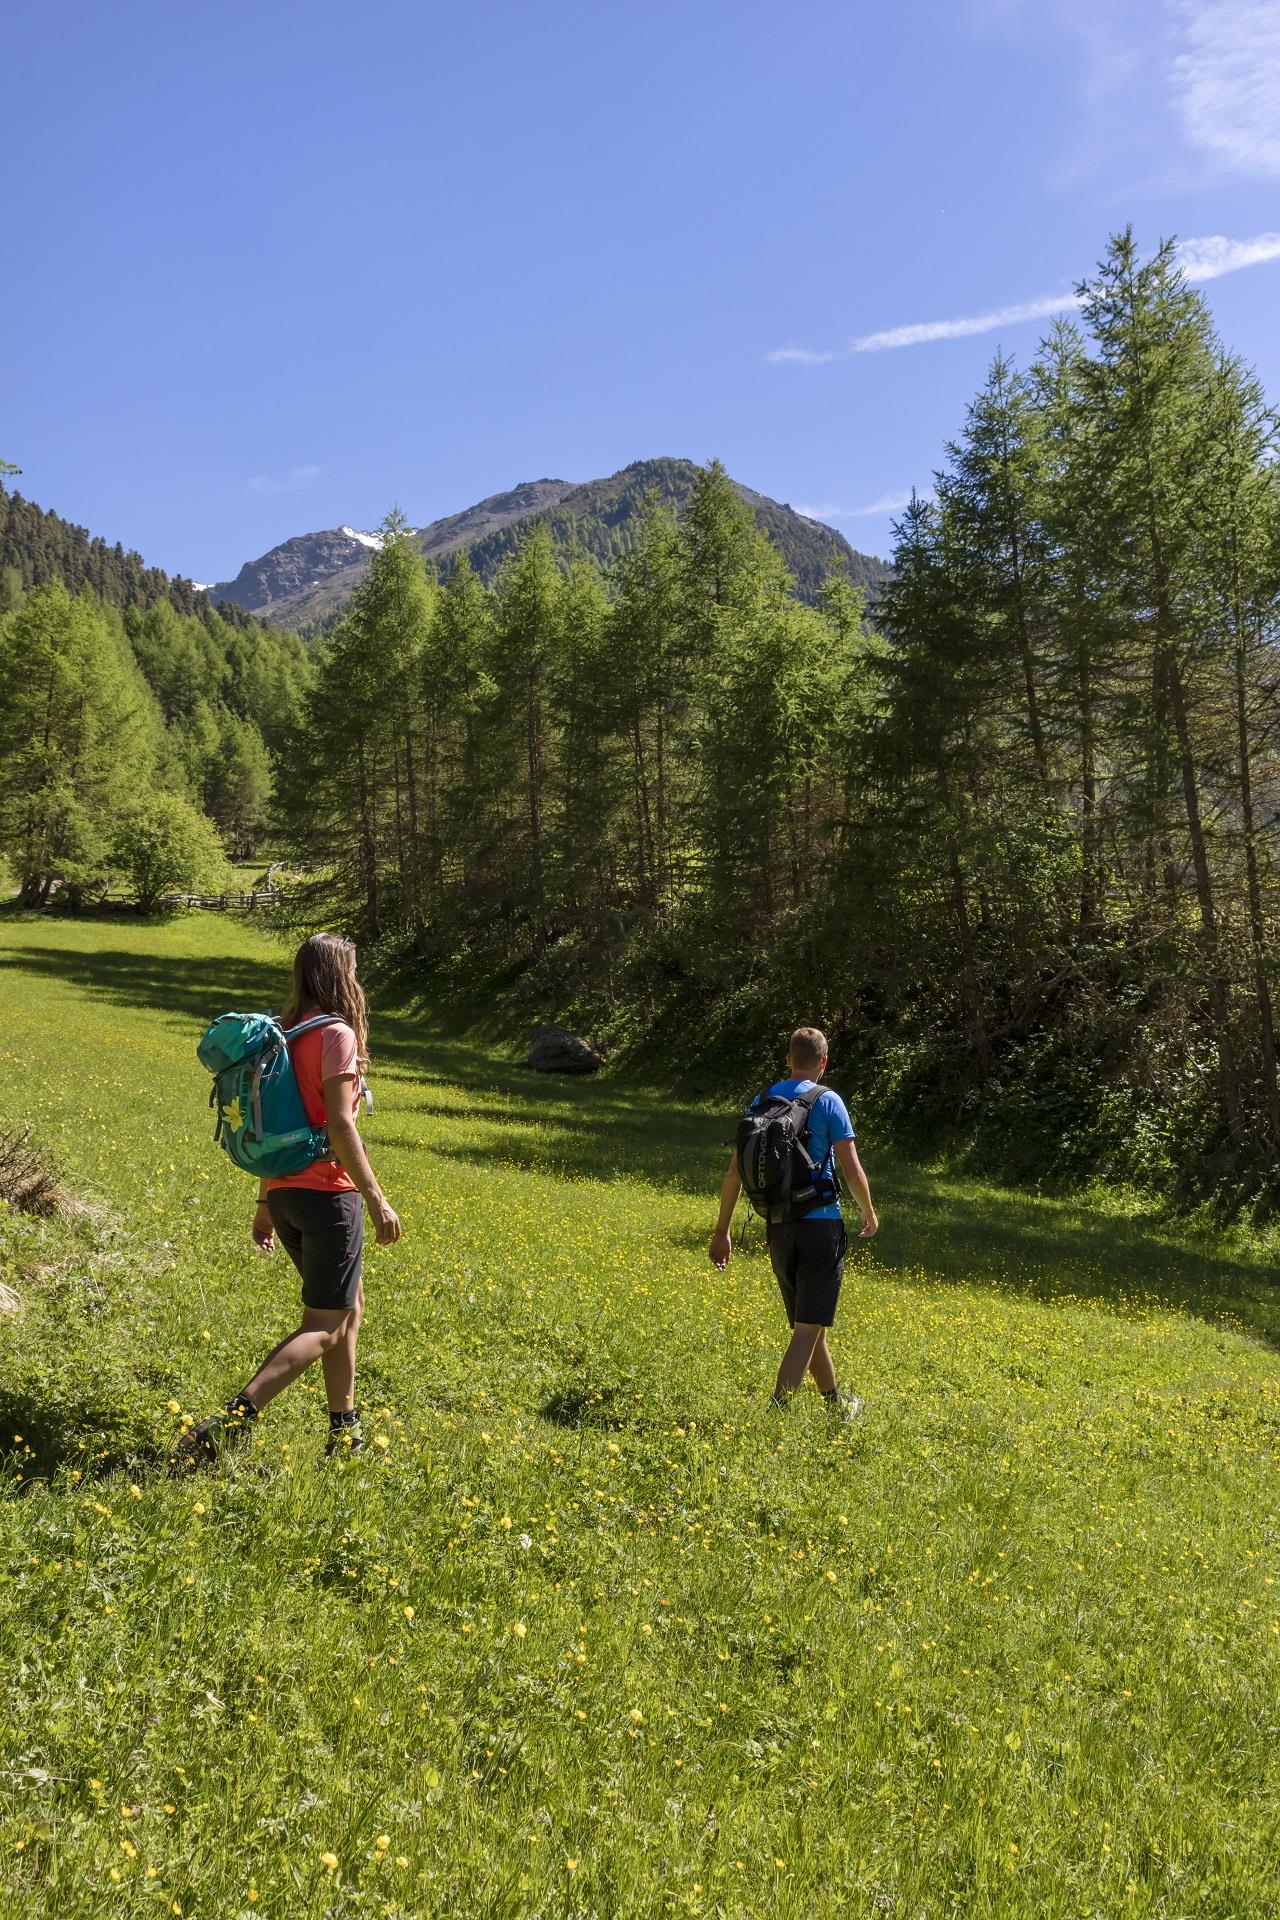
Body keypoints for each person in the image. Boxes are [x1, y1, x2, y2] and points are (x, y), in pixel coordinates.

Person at [181, 932, 401, 1463]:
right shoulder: (336, 1035)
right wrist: (375, 1198)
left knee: (347, 1310)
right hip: (328, 1196)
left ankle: (344, 1429)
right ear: (341, 977)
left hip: (285, 1195)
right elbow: (341, 1124)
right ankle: (230, 1423)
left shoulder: (283, 1035)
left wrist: (264, 1205)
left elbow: (275, 1126)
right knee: (323, 1326)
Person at [709, 1025, 877, 1418]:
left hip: (779, 1225)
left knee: (808, 1322)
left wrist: (722, 1232)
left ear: (788, 1059)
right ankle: (775, 1414)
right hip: (821, 1228)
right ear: (824, 1062)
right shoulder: (829, 1101)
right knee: (807, 1328)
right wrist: (869, 1211)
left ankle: (835, 1404)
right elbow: (851, 1170)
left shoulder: (763, 1099)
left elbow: (735, 1171)